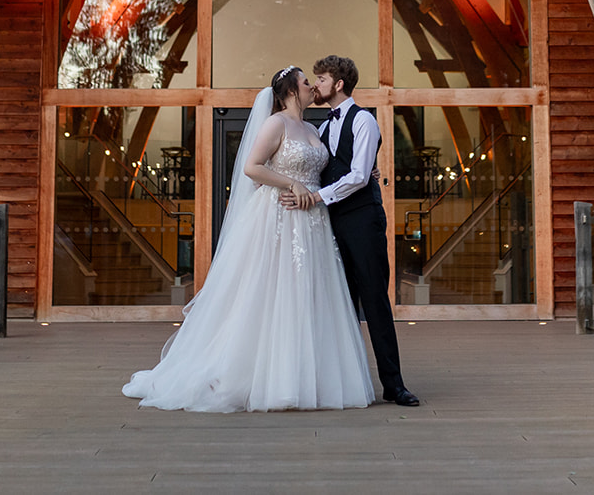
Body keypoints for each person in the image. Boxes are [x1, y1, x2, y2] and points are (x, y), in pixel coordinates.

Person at [122, 66, 374, 412]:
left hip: (314, 222)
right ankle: (261, 377)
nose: (312, 87)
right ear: (291, 91)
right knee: (272, 292)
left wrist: (366, 169)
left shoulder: (314, 128)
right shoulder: (275, 123)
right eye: (306, 82)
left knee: (308, 293)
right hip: (280, 215)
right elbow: (252, 167)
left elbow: (330, 168)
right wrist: (291, 183)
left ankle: (306, 377)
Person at [283, 54, 420, 407]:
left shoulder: (364, 120)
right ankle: (344, 383)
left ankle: (394, 385)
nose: (316, 85)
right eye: (313, 80)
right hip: (329, 224)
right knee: (338, 303)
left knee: (374, 301)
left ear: (339, 84)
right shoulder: (320, 129)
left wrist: (317, 197)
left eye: (322, 79)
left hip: (362, 220)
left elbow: (359, 175)